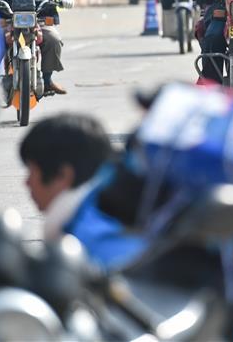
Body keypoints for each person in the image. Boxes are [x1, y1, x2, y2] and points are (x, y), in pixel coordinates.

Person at [19, 113, 145, 269]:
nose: (26, 182)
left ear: (63, 175)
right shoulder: (112, 210)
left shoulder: (84, 243)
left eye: (32, 171)